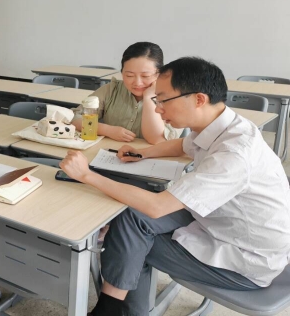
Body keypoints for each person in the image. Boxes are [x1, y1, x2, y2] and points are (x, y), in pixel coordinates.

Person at [60, 57, 290, 316]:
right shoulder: (221, 124)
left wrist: (87, 175)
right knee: (131, 217)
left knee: (130, 242)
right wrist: (143, 152)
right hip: (219, 220)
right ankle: (113, 308)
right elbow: (183, 145)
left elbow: (158, 207)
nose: (158, 109)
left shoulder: (234, 154)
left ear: (199, 99)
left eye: (163, 100)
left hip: (244, 260)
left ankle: (114, 311)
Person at [73, 42, 178, 144]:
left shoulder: (174, 98)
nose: (137, 83)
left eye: (145, 76)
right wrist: (107, 130)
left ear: (159, 74)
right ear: (122, 73)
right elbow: (74, 118)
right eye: (129, 76)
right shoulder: (111, 90)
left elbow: (159, 140)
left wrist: (149, 97)